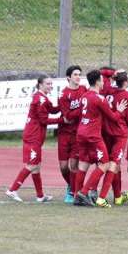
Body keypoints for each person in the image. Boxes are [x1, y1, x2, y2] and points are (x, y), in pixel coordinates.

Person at [73, 69, 128, 208]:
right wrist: (120, 110)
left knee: (83, 163)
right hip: (93, 135)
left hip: (81, 132)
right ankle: (84, 192)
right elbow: (113, 117)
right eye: (102, 80)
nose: (104, 82)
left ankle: (76, 195)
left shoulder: (85, 96)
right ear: (98, 81)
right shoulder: (100, 98)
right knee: (104, 164)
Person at [6, 76, 65, 203]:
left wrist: (62, 102)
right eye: (48, 84)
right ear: (40, 85)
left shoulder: (43, 98)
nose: (50, 86)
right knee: (32, 164)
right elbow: (44, 120)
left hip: (35, 136)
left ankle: (40, 196)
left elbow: (53, 110)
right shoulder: (40, 99)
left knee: (36, 166)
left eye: (51, 84)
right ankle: (12, 189)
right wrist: (62, 120)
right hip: (33, 136)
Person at [101, 70, 128, 205]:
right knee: (113, 164)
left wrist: (112, 73)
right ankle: (102, 196)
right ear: (125, 82)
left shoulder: (108, 90)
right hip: (119, 133)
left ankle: (118, 196)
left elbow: (102, 73)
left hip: (106, 131)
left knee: (113, 164)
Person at [57, 65, 87, 203]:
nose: (78, 77)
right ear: (69, 77)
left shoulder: (84, 90)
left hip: (78, 133)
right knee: (64, 167)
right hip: (64, 134)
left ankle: (74, 192)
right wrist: (81, 108)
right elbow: (68, 117)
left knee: (74, 166)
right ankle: (70, 185)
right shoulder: (63, 95)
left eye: (79, 74)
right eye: (75, 74)